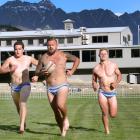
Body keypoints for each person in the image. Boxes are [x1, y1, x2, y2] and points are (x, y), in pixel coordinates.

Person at [32, 37, 80, 136]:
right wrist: (41, 72)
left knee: (60, 105)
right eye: (48, 45)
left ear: (56, 45)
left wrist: (72, 71)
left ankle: (65, 117)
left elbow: (77, 59)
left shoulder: (63, 54)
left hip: (62, 84)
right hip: (50, 88)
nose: (50, 46)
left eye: (52, 45)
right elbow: (37, 72)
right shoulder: (43, 57)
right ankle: (62, 131)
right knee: (56, 112)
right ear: (47, 46)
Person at [0, 41, 38, 134]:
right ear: (14, 50)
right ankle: (23, 122)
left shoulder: (28, 58)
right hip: (14, 86)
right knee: (18, 107)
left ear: (23, 49)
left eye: (19, 49)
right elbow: (1, 70)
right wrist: (10, 69)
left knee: (22, 103)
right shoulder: (10, 59)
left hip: (25, 84)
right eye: (16, 49)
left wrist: (37, 75)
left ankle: (21, 127)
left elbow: (40, 65)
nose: (17, 51)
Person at [92, 48, 122, 134]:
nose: (103, 55)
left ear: (107, 55)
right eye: (101, 54)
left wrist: (116, 83)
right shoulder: (96, 68)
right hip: (102, 92)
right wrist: (94, 85)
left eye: (105, 54)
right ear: (99, 55)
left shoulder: (113, 65)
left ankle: (110, 110)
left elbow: (119, 75)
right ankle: (107, 130)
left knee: (113, 114)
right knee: (104, 112)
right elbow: (94, 80)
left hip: (112, 92)